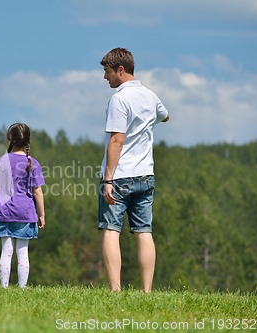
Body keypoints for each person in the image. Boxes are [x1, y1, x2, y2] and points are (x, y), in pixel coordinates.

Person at [98, 47, 169, 292]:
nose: (105, 77)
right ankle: (147, 290)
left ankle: (115, 289)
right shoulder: (150, 95)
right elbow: (165, 116)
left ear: (120, 70)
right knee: (144, 232)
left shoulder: (119, 98)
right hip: (146, 174)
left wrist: (107, 179)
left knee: (110, 231)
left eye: (107, 72)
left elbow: (117, 139)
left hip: (120, 176)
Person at [0, 123, 46, 288]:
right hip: (26, 212)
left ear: (9, 139)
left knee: (6, 252)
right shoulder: (32, 163)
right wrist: (41, 214)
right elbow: (38, 192)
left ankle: (4, 287)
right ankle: (22, 288)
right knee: (23, 252)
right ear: (28, 141)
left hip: (3, 212)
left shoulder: (0, 162)